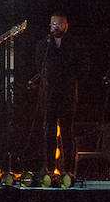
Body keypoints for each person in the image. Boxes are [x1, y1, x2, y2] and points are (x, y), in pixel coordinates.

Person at [32, 13, 85, 173]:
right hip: (48, 94)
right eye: (53, 24)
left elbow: (82, 67)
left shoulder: (74, 44)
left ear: (66, 26)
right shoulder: (44, 44)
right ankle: (48, 167)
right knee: (48, 130)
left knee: (67, 132)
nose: (56, 27)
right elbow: (39, 66)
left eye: (59, 24)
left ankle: (68, 169)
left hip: (67, 93)